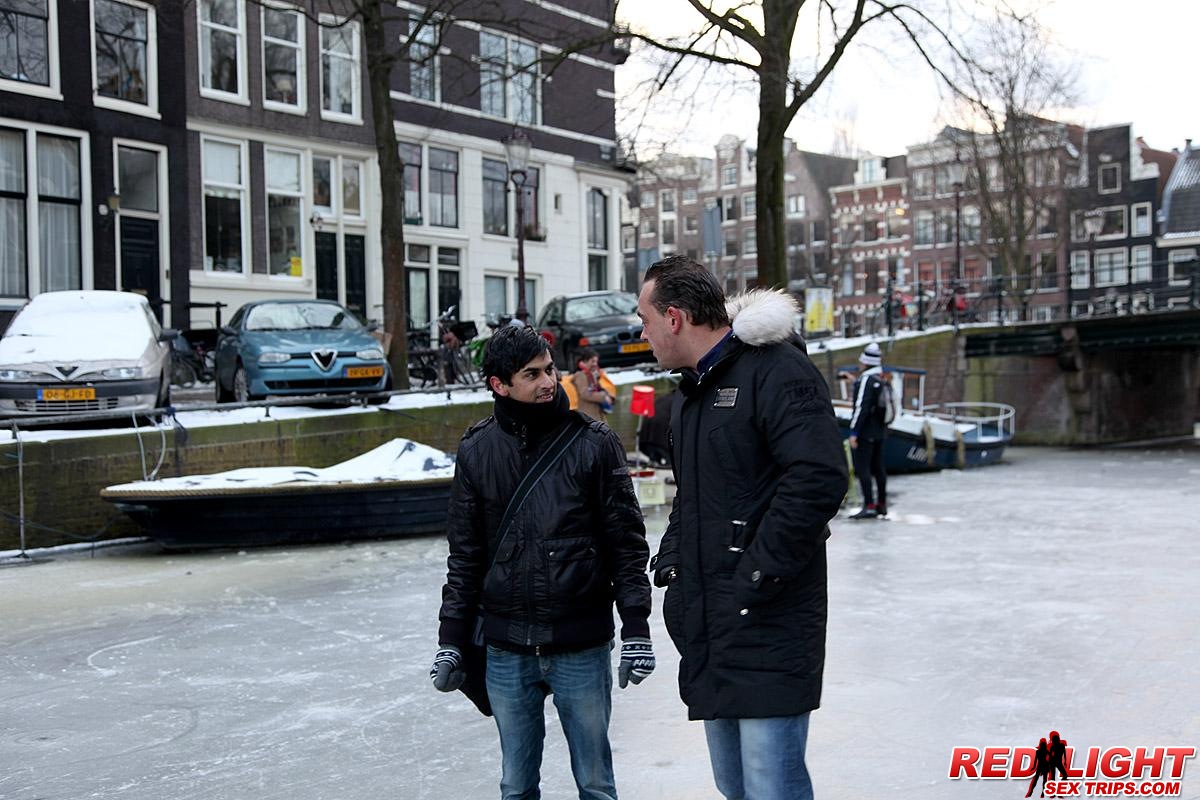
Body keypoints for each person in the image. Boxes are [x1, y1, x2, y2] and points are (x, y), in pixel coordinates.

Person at [635, 255, 848, 800]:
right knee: (735, 785)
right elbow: (693, 497)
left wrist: (755, 573)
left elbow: (819, 478)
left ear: (675, 318)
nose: (643, 334)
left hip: (769, 620)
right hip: (714, 624)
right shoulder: (692, 395)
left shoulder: (778, 371)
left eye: (646, 320)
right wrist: (675, 562)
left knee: (771, 786)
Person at [430, 324, 654, 800]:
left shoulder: (594, 443)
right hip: (507, 647)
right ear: (499, 384)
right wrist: (451, 640)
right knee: (515, 785)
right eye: (531, 374)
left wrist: (636, 627)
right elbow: (465, 556)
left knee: (595, 782)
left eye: (550, 369)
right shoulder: (477, 450)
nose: (549, 381)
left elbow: (626, 543)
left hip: (581, 643)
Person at [848, 342, 889, 519]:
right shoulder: (880, 378)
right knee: (879, 468)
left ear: (866, 362)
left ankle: (869, 505)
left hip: (866, 432)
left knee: (863, 468)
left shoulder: (866, 380)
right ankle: (882, 504)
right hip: (880, 431)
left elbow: (861, 408)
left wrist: (854, 432)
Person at [570, 347, 615, 421]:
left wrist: (608, 396)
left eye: (596, 362)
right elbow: (585, 394)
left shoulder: (591, 374)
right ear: (584, 361)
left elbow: (598, 389)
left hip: (597, 415)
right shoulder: (580, 375)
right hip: (588, 415)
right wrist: (603, 397)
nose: (595, 364)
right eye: (593, 361)